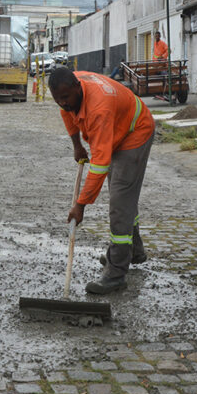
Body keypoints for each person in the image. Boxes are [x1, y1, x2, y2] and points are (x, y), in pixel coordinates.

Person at [49, 67, 155, 294]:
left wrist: (80, 205)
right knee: (123, 199)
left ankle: (116, 272)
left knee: (119, 202)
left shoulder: (98, 109)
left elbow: (99, 166)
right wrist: (77, 145)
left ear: (78, 87)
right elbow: (67, 113)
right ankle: (134, 251)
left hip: (135, 131)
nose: (63, 103)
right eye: (58, 100)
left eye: (66, 98)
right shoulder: (69, 89)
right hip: (117, 129)